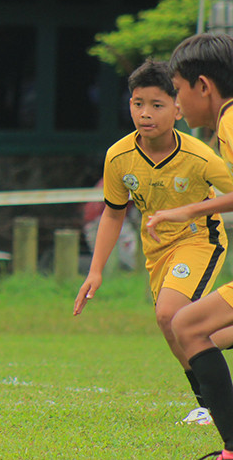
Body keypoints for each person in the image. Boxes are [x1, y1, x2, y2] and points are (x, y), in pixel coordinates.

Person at [73, 59, 233, 428]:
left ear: (178, 109)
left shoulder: (201, 156)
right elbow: (113, 214)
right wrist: (95, 271)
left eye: (156, 105)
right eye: (137, 103)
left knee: (170, 314)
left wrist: (191, 210)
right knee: (176, 326)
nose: (145, 114)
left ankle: (212, 408)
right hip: (157, 250)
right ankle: (208, 403)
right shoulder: (119, 156)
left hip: (199, 239)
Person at [143, 32, 233, 459]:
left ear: (204, 86)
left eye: (177, 92)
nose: (176, 106)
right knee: (209, 330)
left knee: (188, 326)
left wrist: (185, 211)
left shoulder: (231, 122)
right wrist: (189, 210)